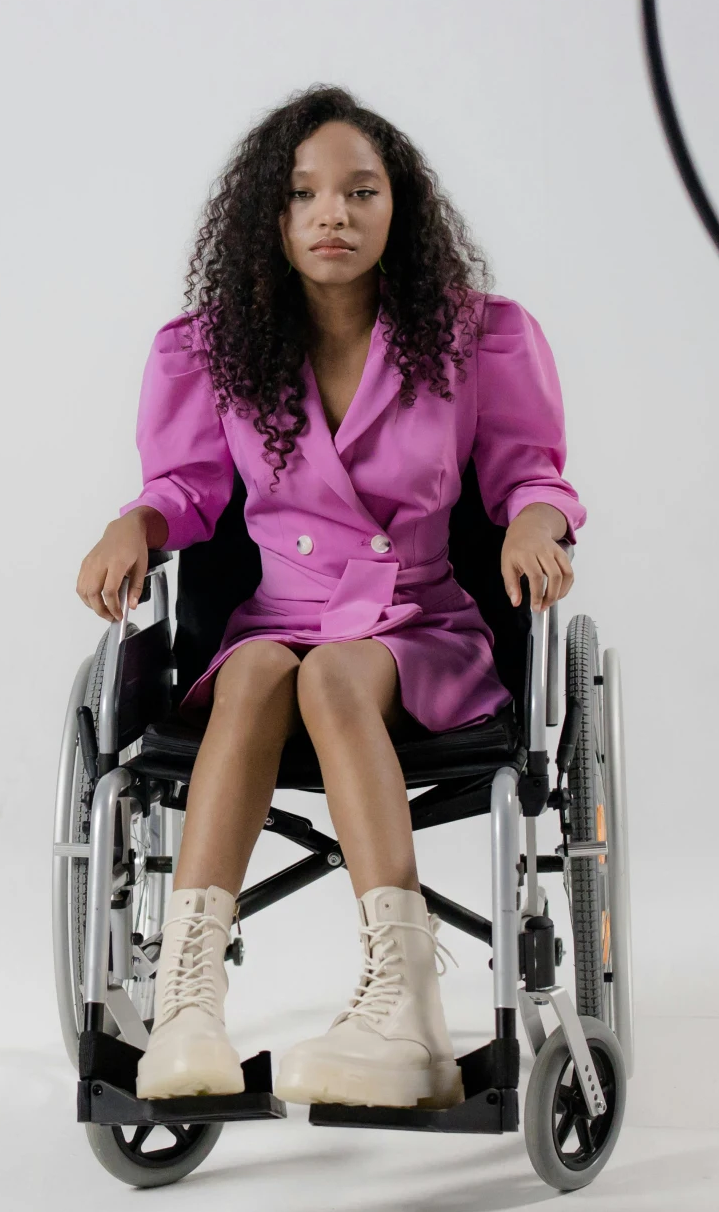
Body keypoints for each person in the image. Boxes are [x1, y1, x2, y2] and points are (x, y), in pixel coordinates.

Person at [74, 85, 583, 1110]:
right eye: (304, 194)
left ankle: (406, 1001)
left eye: (359, 190)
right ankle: (188, 998)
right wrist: (136, 523)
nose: (332, 214)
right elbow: (187, 486)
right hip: (277, 621)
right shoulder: (212, 352)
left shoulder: (476, 338)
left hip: (418, 629)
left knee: (335, 677)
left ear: (401, 208)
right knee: (257, 668)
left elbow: (531, 473)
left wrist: (536, 521)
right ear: (269, 215)